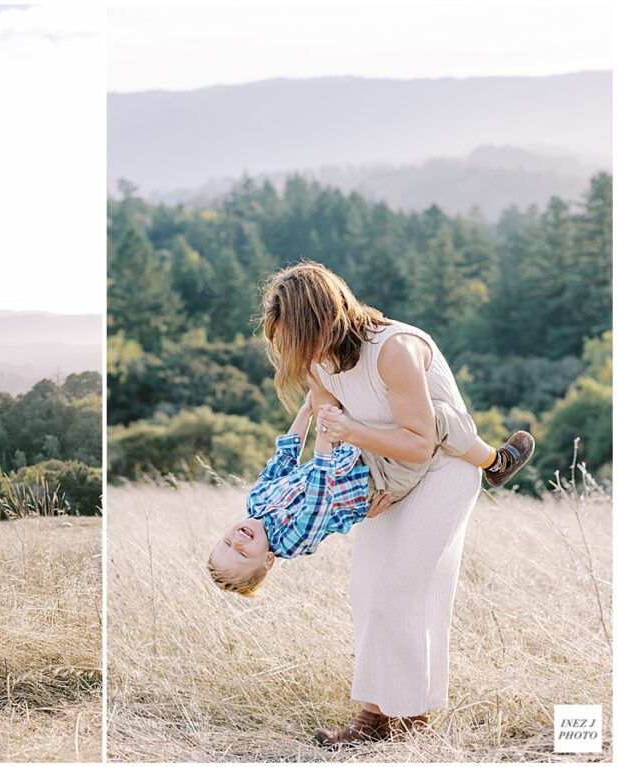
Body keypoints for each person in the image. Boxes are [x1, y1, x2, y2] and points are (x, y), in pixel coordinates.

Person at [259, 260, 533, 746]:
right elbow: (330, 423)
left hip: (443, 469)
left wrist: (353, 434)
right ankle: (373, 715)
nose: (294, 353)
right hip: (384, 472)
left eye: (296, 338)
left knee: (401, 592)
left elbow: (421, 443)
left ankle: (413, 720)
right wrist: (353, 493)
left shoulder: (394, 350)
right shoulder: (319, 360)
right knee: (366, 592)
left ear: (323, 319)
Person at [208, 390, 534, 597]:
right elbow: (320, 494)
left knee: (376, 398)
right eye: (241, 554)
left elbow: (284, 459)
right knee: (432, 420)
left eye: (226, 543)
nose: (237, 541)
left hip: (351, 452)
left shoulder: (257, 502)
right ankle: (497, 462)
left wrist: (307, 410)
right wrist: (324, 438)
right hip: (381, 477)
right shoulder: (291, 542)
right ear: (267, 560)